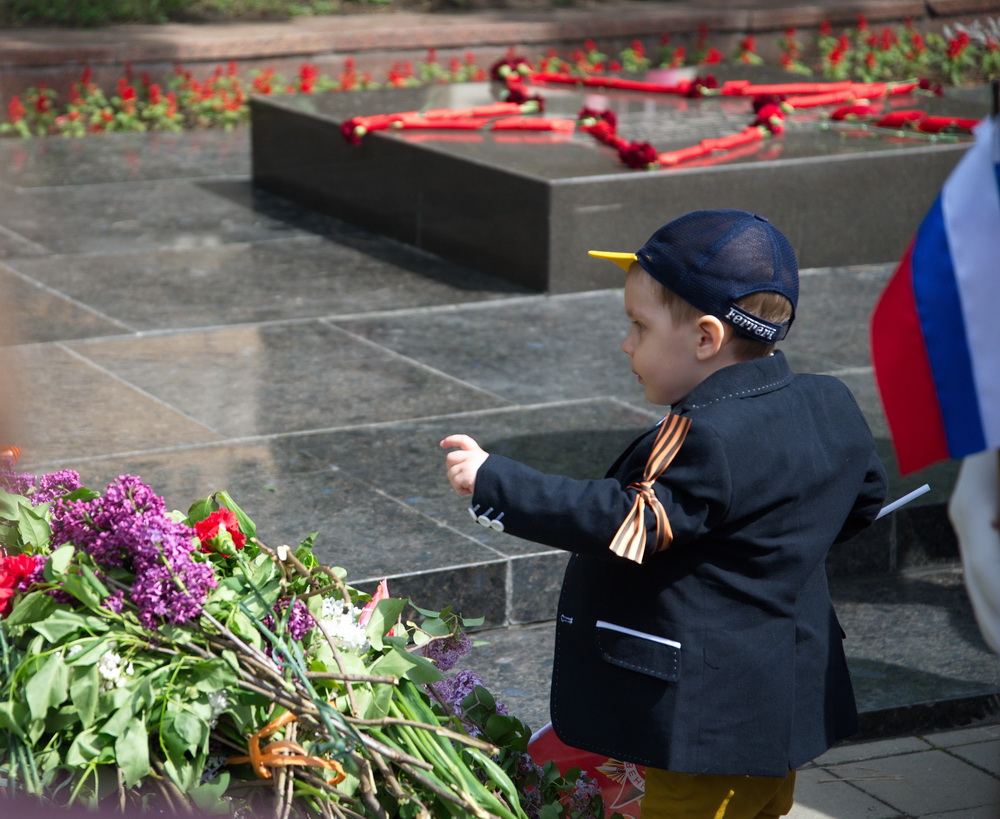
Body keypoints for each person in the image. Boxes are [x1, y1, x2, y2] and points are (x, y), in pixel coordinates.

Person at [441, 209, 888, 818]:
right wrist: (772, 549)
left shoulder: (705, 436)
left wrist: (498, 481)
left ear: (706, 338)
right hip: (780, 701)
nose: (626, 343)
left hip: (705, 719)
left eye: (638, 326)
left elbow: (625, 522)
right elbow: (862, 500)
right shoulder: (829, 402)